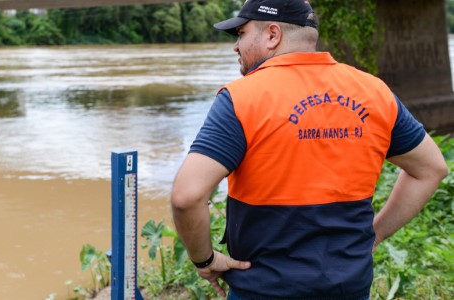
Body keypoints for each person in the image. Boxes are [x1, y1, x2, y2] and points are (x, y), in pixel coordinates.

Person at [170, 0, 449, 299]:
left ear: (272, 34)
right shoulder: (374, 91)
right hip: (349, 287)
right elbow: (431, 169)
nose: (235, 46)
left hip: (263, 289)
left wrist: (206, 260)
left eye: (240, 33)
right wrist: (374, 234)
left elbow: (187, 197)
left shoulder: (242, 98)